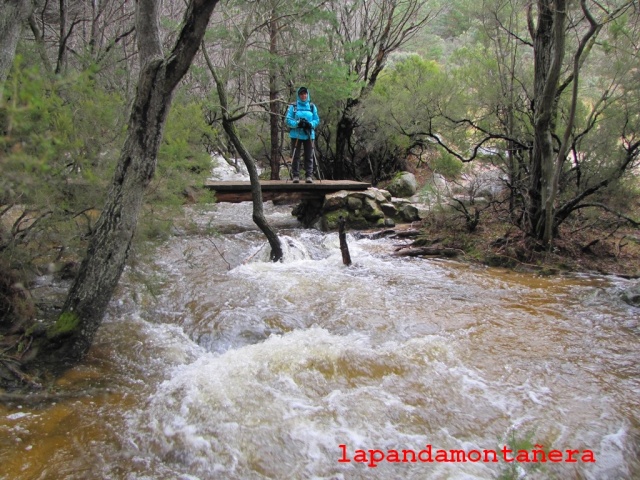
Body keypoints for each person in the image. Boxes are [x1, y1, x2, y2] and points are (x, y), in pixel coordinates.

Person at [285, 86, 320, 183]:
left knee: (309, 155)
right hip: (296, 135)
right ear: (298, 95)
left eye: (305, 94)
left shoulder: (312, 106)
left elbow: (316, 120)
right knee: (295, 156)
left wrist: (310, 124)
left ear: (307, 94)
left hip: (309, 134)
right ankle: (295, 175)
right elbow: (287, 120)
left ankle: (309, 176)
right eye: (301, 94)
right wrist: (297, 124)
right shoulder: (294, 106)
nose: (303, 96)